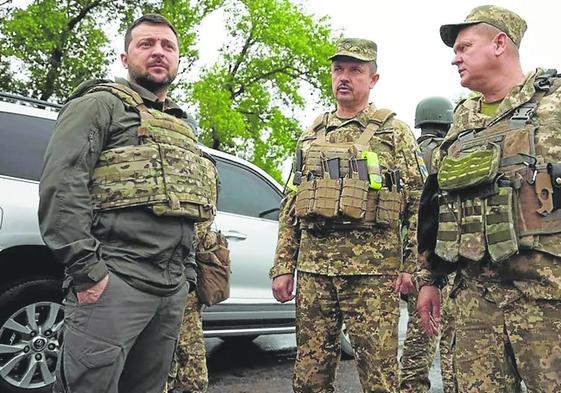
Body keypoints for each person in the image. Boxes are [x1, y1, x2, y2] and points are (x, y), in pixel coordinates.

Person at [39, 14, 217, 393]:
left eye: (167, 46)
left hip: (169, 291)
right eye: (146, 44)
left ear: (178, 60)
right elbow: (61, 187)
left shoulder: (183, 128)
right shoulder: (99, 105)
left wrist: (186, 276)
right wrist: (88, 272)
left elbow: (189, 209)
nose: (158, 53)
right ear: (125, 57)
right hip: (115, 282)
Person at [417, 5, 561, 392]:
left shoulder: (555, 105)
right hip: (475, 303)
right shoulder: (462, 123)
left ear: (500, 44)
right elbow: (435, 204)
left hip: (547, 300)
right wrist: (429, 279)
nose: (454, 57)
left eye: (464, 47)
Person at [271, 38, 425, 393]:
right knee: (309, 379)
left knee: (379, 378)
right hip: (314, 273)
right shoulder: (311, 135)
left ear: (373, 79)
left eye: (355, 70)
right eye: (338, 69)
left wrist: (410, 266)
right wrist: (283, 266)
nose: (344, 77)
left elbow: (418, 203)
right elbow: (291, 204)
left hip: (372, 275)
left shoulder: (394, 134)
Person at [400, 96, 456, 393]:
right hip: (434, 258)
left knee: (417, 335)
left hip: (404, 260)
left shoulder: (409, 153)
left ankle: (410, 387)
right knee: (443, 334)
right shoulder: (446, 153)